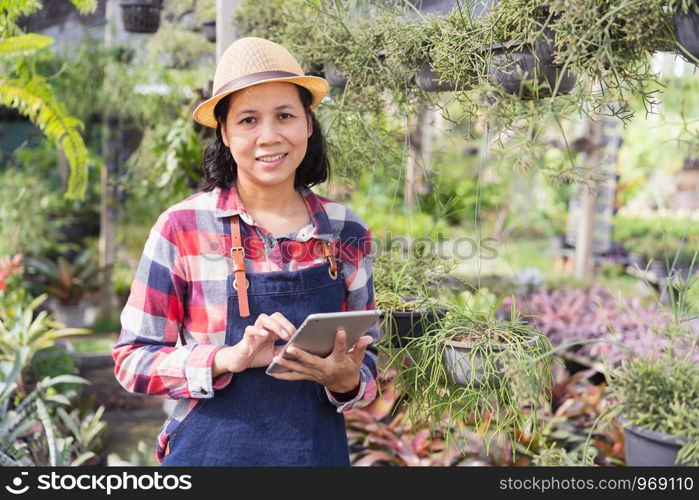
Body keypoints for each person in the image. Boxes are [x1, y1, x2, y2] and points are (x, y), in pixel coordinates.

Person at [112, 37, 381, 466]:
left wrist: (348, 379)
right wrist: (226, 358)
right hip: (207, 456)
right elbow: (132, 360)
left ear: (308, 124)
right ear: (224, 131)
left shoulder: (346, 230)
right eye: (249, 120)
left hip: (315, 456)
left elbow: (370, 359)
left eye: (285, 116)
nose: (269, 136)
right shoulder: (181, 228)